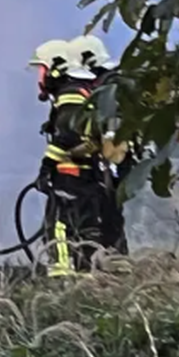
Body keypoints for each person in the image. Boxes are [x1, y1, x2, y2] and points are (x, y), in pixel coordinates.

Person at [29, 39, 104, 277]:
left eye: (42, 69)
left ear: (56, 67)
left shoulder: (69, 94)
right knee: (87, 227)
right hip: (88, 173)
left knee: (59, 225)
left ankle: (62, 274)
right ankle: (87, 272)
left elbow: (67, 135)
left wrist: (46, 167)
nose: (40, 77)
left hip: (71, 173)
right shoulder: (83, 88)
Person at [66, 34, 129, 255]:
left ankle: (114, 262)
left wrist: (75, 153)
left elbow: (108, 134)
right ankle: (114, 260)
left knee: (108, 218)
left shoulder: (108, 88)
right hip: (111, 162)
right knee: (109, 218)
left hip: (110, 163)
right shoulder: (107, 82)